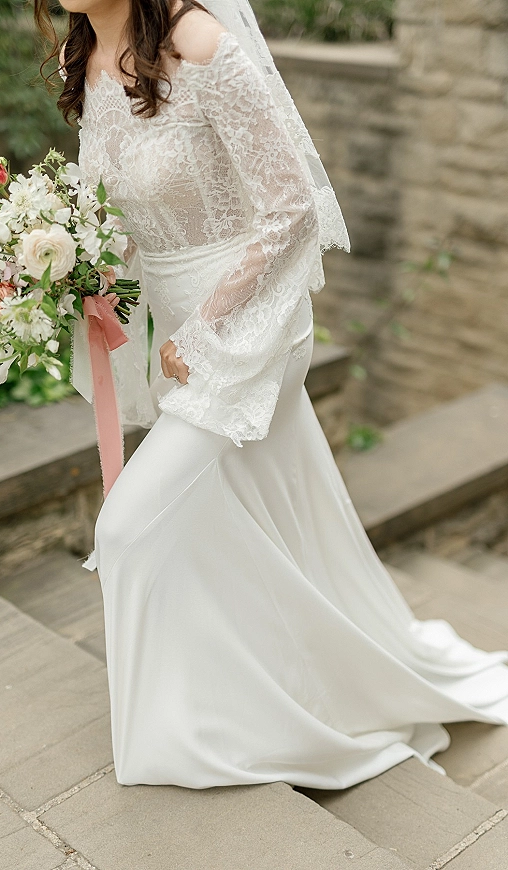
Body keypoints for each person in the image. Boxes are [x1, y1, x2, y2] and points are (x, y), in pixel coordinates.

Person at [34, 0, 508, 789]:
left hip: (250, 323)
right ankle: (292, 677)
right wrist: (65, 275)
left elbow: (291, 204)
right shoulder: (79, 57)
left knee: (126, 529)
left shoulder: (198, 42)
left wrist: (208, 328)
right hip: (175, 333)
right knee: (260, 520)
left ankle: (198, 739)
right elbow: (116, 215)